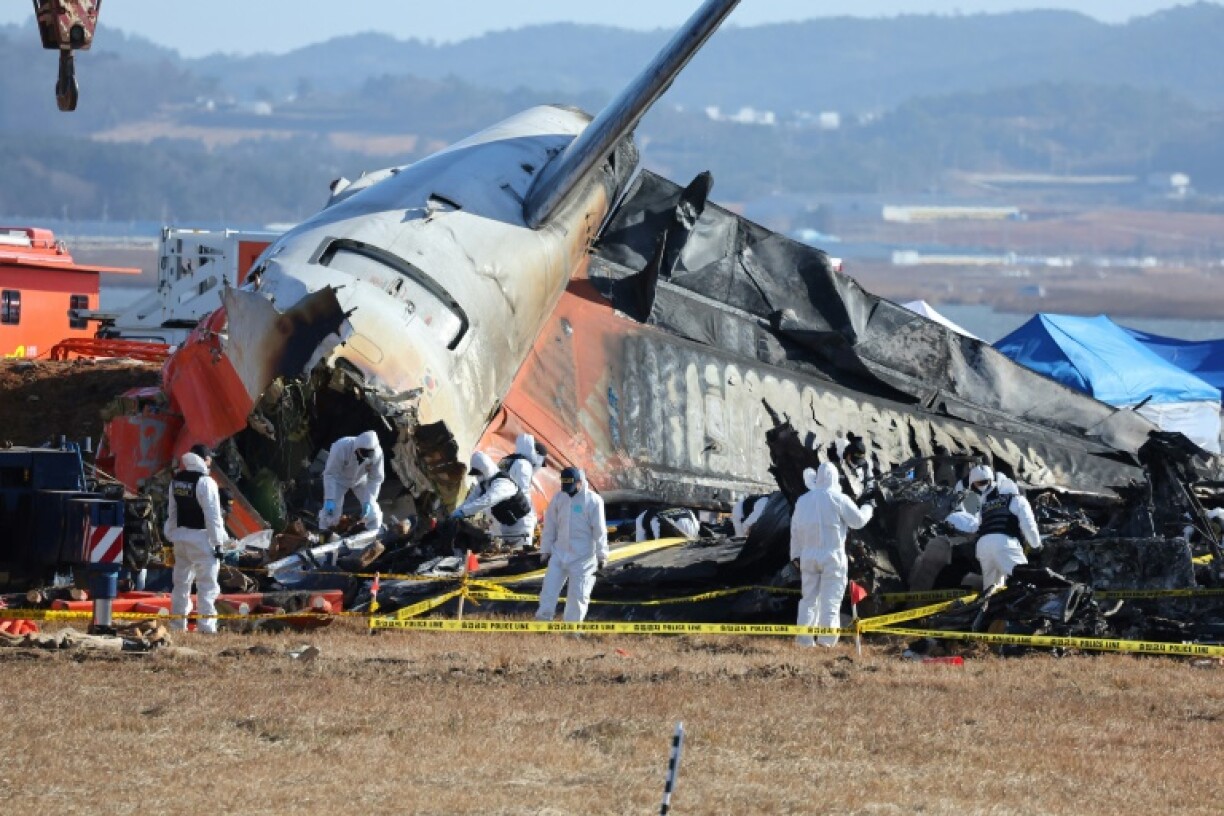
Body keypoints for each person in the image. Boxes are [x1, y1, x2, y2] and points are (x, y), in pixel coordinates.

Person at [790, 462, 874, 647]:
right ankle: (826, 642)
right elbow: (858, 521)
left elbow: (795, 530)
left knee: (808, 600)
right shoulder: (839, 498)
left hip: (808, 556)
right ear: (835, 478)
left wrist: (795, 556)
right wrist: (869, 507)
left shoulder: (803, 500)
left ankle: (804, 641)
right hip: (832, 557)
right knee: (830, 601)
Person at [945, 465, 1041, 590]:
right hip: (1004, 544)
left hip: (983, 547)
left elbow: (978, 526)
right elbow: (1029, 524)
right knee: (1026, 581)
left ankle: (989, 608)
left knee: (992, 589)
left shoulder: (986, 506)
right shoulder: (1017, 499)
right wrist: (1036, 544)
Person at [164, 444, 226, 634]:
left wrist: (172, 535)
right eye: (210, 458)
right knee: (207, 585)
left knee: (181, 584)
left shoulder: (177, 481)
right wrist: (218, 544)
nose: (211, 461)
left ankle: (177, 625)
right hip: (201, 539)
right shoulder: (206, 483)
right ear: (205, 459)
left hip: (180, 539)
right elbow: (213, 516)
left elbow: (171, 513)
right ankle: (206, 628)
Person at [536, 467, 608, 623]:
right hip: (559, 554)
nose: (567, 491)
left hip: (583, 558)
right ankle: (542, 624)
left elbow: (599, 530)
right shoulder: (558, 498)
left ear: (580, 483)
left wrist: (602, 555)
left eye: (571, 486)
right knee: (548, 591)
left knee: (578, 595)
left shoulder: (593, 501)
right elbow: (550, 527)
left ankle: (572, 630)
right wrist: (545, 551)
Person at [451, 451, 534, 550]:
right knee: (504, 552)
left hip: (521, 525)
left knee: (519, 554)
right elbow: (471, 500)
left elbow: (488, 499)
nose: (478, 476)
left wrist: (464, 512)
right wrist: (456, 512)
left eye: (479, 473)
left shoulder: (503, 483)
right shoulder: (483, 484)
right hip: (505, 525)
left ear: (486, 469)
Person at [319, 430, 385, 532]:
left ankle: (373, 535)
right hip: (339, 480)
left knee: (373, 512)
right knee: (330, 513)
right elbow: (330, 474)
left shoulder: (378, 454)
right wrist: (330, 498)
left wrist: (369, 501)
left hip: (361, 480)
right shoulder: (341, 447)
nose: (365, 456)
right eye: (363, 453)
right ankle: (324, 534)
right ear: (357, 448)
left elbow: (376, 478)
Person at [496, 433, 543, 550]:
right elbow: (523, 494)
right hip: (521, 520)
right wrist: (533, 517)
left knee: (507, 550)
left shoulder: (505, 461)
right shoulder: (524, 464)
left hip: (504, 517)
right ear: (531, 447)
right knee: (521, 552)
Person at [634, 507, 699, 541]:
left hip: (663, 538)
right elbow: (696, 532)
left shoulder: (642, 517)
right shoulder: (689, 511)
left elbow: (640, 545)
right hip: (690, 530)